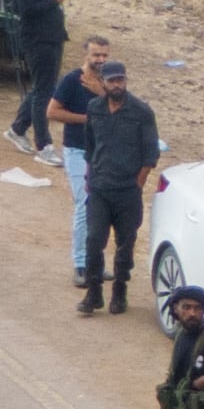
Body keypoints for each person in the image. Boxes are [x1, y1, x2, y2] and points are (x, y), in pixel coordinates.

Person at [73, 59, 163, 315]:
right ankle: (94, 293)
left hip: (126, 191)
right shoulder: (94, 108)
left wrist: (138, 182)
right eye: (111, 80)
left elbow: (150, 153)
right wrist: (90, 177)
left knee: (125, 245)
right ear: (103, 82)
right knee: (93, 241)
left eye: (120, 80)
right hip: (100, 188)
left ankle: (120, 291)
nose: (116, 85)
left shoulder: (141, 112)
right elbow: (90, 146)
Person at [44, 34, 114, 290]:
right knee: (84, 204)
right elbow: (52, 112)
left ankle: (96, 262)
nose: (101, 60)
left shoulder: (109, 82)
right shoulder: (72, 81)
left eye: (104, 55)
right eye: (96, 55)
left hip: (104, 152)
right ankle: (81, 264)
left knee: (103, 208)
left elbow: (122, 109)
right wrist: (87, 118)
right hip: (77, 151)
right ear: (86, 55)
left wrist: (101, 93)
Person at [2, 0, 70, 148]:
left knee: (44, 86)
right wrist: (55, 0)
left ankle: (17, 129)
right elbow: (26, 10)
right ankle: (44, 145)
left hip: (51, 37)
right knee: (44, 93)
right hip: (38, 40)